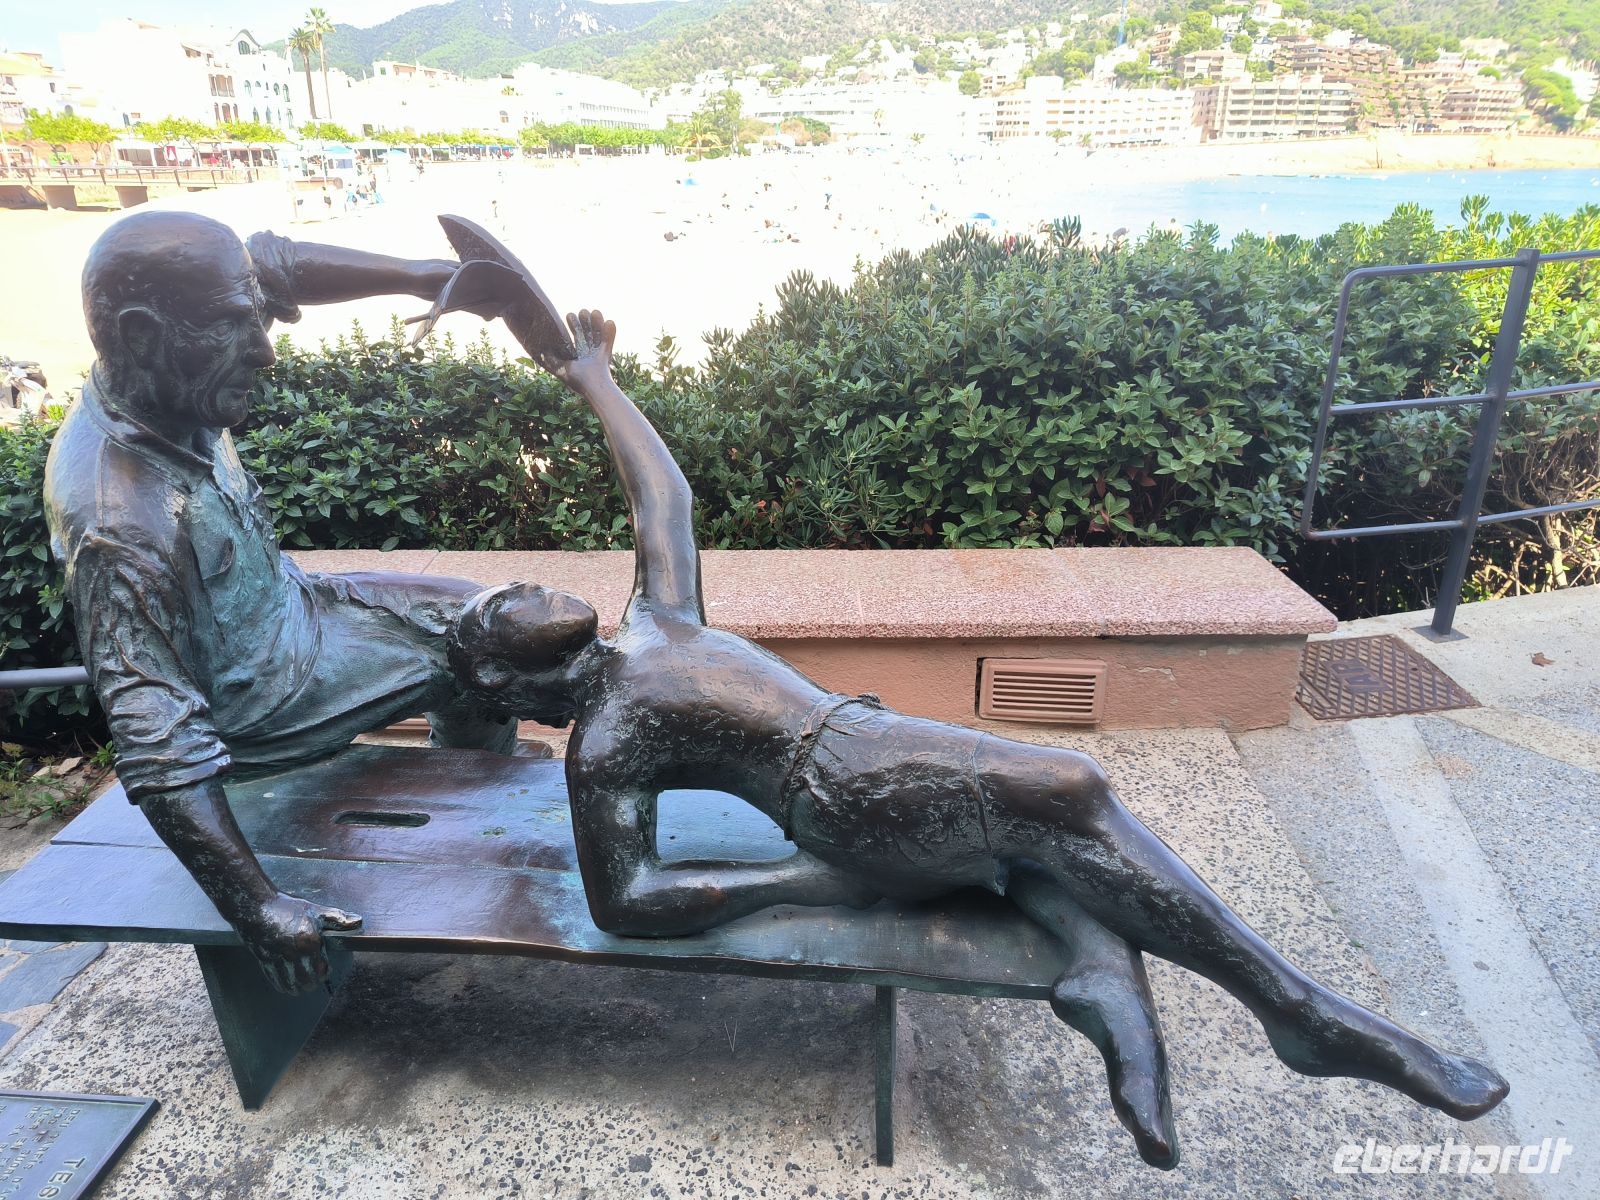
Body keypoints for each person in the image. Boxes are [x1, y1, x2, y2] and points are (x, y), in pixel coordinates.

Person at [437, 262, 1509, 1167]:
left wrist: (594, 379)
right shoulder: (606, 744)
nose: (519, 588)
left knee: (1037, 838)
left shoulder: (654, 622)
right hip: (842, 798)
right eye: (500, 608)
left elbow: (662, 495)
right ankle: (1297, 1011)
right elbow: (623, 903)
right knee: (1068, 788)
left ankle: (1101, 975)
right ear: (505, 675)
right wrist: (803, 879)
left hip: (868, 746)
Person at [45, 210, 519, 995]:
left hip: (296, 610)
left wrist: (426, 277)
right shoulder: (118, 519)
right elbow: (160, 740)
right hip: (256, 706)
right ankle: (465, 815)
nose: (264, 350)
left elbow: (276, 264)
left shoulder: (173, 368)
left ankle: (463, 787)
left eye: (255, 317)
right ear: (140, 335)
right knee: (491, 652)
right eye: (235, 327)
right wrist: (259, 907)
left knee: (489, 618)